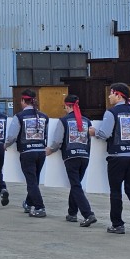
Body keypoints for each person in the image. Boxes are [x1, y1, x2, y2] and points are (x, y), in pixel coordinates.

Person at [90, 82, 130, 236]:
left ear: (118, 95)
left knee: (116, 191)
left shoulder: (111, 113)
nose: (109, 97)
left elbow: (105, 134)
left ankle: (117, 224)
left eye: (111, 94)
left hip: (117, 156)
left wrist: (94, 131)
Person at [47, 95, 97, 227]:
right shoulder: (87, 121)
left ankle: (88, 214)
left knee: (75, 185)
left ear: (67, 105)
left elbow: (58, 141)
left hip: (71, 156)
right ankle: (72, 213)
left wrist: (51, 150)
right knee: (76, 185)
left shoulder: (63, 121)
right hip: (84, 156)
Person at [5, 89, 49, 218]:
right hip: (41, 151)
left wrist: (6, 145)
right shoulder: (44, 116)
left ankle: (40, 207)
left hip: (27, 152)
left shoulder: (19, 116)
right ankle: (29, 203)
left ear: (23, 101)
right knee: (34, 179)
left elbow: (12, 136)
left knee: (31, 181)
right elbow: (46, 134)